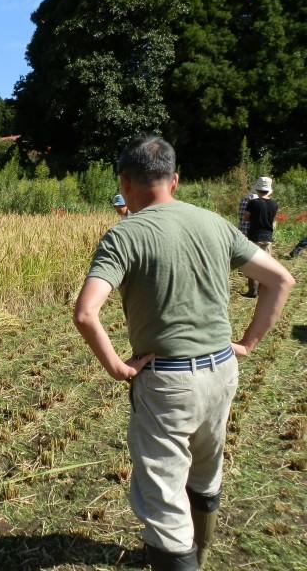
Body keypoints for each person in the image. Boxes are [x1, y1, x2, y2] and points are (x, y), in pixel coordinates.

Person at [73, 136, 295, 571]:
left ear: (126, 181)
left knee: (164, 506)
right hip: (221, 371)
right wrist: (247, 344)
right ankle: (204, 552)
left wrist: (118, 367)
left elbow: (85, 313)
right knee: (206, 471)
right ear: (174, 180)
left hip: (168, 383)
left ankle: (182, 556)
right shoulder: (213, 223)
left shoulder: (124, 235)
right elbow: (281, 281)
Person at [243, 176, 278, 297]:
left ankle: (252, 291)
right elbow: (273, 222)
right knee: (266, 265)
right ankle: (264, 290)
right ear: (268, 190)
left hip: (254, 237)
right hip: (268, 237)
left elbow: (246, 218)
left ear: (257, 190)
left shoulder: (253, 203)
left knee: (252, 264)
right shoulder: (274, 204)